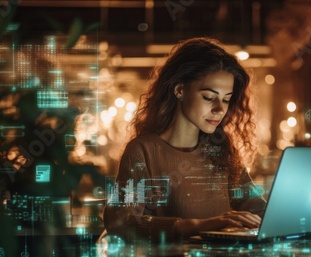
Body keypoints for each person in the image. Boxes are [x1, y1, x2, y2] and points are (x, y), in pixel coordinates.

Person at [104, 37, 266, 243]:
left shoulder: (221, 149)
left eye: (226, 99)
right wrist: (202, 225)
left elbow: (257, 207)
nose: (220, 109)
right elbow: (120, 223)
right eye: (209, 97)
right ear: (180, 90)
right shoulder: (143, 151)